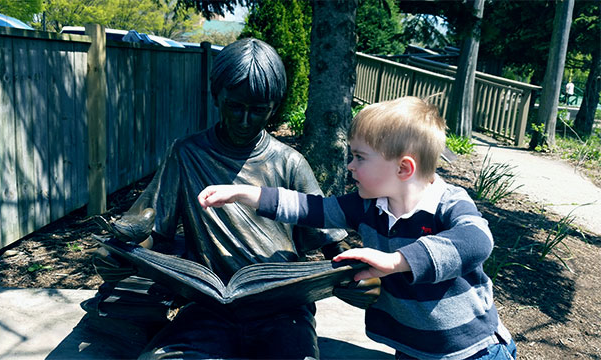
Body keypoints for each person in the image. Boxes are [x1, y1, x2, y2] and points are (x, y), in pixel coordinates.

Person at [91, 38, 361, 359]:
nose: (244, 121)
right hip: (207, 306)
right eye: (235, 106)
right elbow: (152, 231)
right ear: (216, 96)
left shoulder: (289, 163)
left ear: (273, 107)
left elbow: (332, 240)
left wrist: (357, 275)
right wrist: (117, 256)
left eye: (258, 111)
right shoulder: (186, 155)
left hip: (282, 311)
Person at [198, 96, 517, 360]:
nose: (350, 166)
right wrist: (242, 193)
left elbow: (477, 239)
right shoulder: (367, 205)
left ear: (403, 168)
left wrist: (396, 262)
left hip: (474, 350)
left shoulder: (446, 203)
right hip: (413, 349)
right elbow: (309, 208)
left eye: (360, 157)